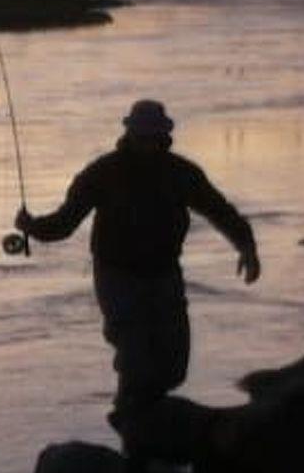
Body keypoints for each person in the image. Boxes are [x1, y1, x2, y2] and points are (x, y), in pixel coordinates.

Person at [15, 99, 259, 450]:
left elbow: (220, 210)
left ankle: (142, 421)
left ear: (164, 137)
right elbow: (65, 223)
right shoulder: (103, 172)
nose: (148, 144)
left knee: (173, 365)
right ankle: (132, 432)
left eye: (153, 138)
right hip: (117, 276)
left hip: (164, 273)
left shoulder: (181, 173)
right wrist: (32, 227)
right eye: (142, 137)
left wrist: (246, 247)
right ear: (129, 135)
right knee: (135, 357)